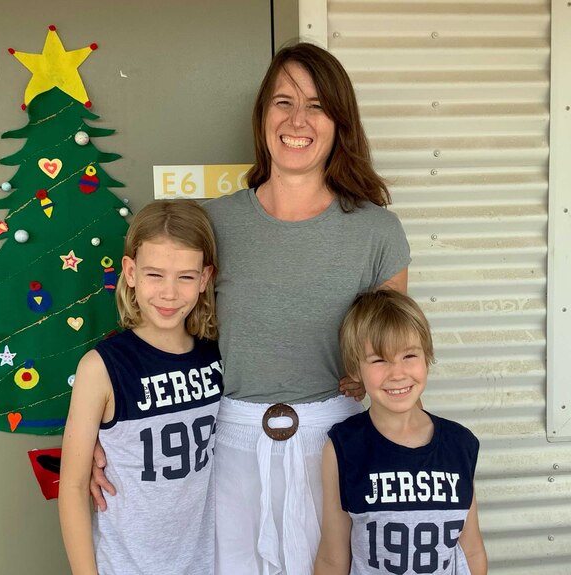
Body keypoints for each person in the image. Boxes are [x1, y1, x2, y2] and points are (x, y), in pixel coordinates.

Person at [92, 42, 410, 575]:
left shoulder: (377, 231)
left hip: (335, 445)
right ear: (262, 115)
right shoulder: (212, 224)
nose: (298, 120)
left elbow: (396, 359)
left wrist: (410, 447)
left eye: (317, 105)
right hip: (222, 446)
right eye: (283, 101)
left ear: (340, 122)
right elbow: (158, 335)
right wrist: (104, 432)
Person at [59, 199, 222, 575]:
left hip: (205, 563)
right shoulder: (101, 368)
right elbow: (72, 487)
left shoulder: (218, 357)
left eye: (185, 276)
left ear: (205, 278)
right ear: (130, 272)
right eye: (154, 275)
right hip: (127, 565)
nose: (169, 293)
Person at [314, 290, 487, 575]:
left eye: (409, 355)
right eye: (379, 360)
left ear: (427, 356)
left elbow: (472, 549)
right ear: (355, 369)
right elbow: (333, 557)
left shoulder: (460, 444)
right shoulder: (343, 447)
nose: (397, 373)